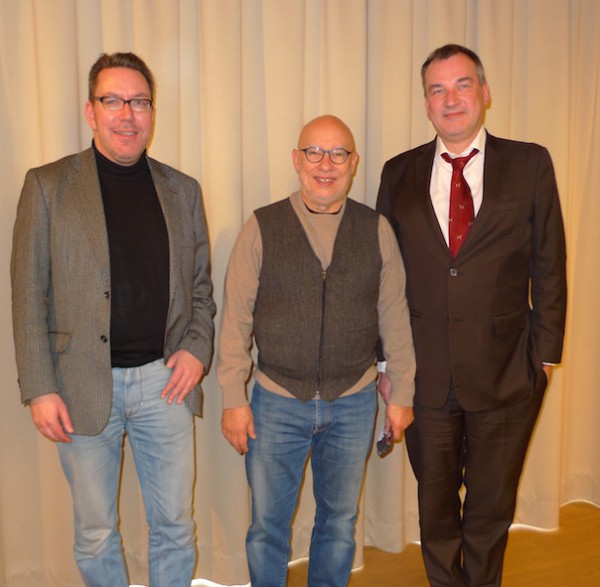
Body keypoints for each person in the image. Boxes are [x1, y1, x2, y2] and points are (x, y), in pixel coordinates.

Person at [11, 52, 215, 587]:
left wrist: (196, 348)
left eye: (140, 101)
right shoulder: (47, 186)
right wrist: (39, 387)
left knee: (174, 524)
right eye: (114, 101)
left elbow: (200, 289)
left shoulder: (183, 190)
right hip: (79, 387)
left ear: (152, 111)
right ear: (91, 110)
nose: (128, 114)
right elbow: (27, 294)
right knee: (96, 531)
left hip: (164, 383)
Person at [376, 44, 567, 586]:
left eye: (462, 85)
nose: (450, 99)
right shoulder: (398, 173)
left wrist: (545, 357)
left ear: (484, 93)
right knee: (435, 511)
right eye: (437, 89)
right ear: (426, 103)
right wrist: (388, 364)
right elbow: (383, 276)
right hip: (424, 375)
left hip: (508, 374)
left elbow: (550, 261)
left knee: (489, 511)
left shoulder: (530, 163)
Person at [217, 114, 415, 587]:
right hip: (275, 403)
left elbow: (395, 317)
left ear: (353, 163)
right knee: (267, 528)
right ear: (296, 159)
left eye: (338, 154)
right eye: (314, 152)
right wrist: (232, 398)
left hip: (354, 401)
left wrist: (402, 392)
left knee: (339, 523)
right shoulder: (261, 227)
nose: (325, 165)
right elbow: (235, 320)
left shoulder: (376, 229)